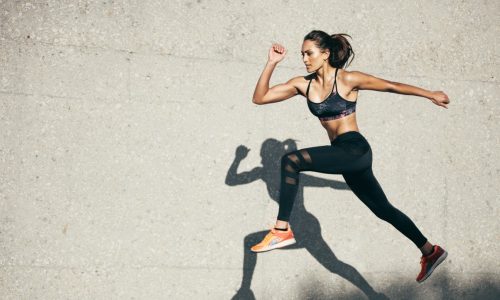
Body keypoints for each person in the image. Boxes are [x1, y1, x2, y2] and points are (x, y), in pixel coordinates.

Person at [250, 30, 450, 283]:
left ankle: (281, 229)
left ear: (325, 53)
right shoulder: (303, 84)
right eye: (302, 54)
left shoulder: (347, 79)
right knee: (382, 209)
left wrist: (430, 93)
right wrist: (271, 63)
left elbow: (391, 86)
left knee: (291, 161)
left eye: (309, 53)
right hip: (342, 156)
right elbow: (260, 98)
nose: (304, 58)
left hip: (355, 149)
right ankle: (430, 251)